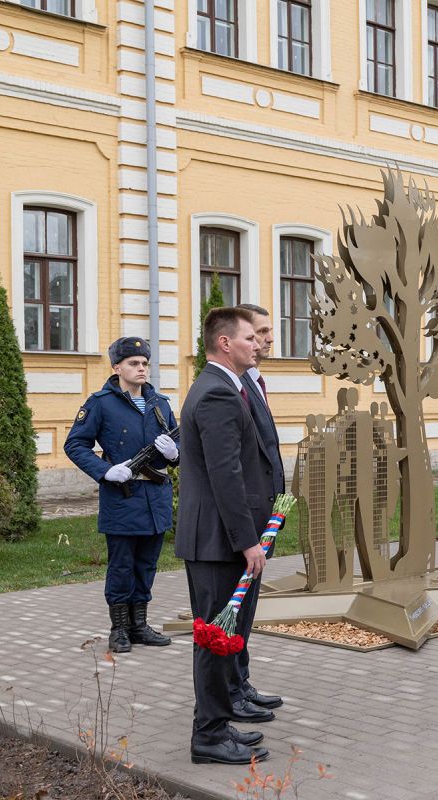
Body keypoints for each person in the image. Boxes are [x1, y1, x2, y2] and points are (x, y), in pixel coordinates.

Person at [176, 307, 274, 765]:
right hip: (217, 542)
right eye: (250, 338)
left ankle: (217, 721)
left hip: (221, 540)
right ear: (224, 344)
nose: (258, 344)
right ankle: (208, 737)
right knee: (214, 639)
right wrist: (247, 540)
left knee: (222, 638)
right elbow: (225, 476)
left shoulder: (226, 387)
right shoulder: (216, 394)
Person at [64, 337, 177, 653]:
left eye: (144, 363)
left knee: (147, 566)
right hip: (123, 498)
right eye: (133, 363)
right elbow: (75, 444)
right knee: (122, 566)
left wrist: (174, 453)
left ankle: (140, 625)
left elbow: (179, 449)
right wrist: (105, 471)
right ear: (117, 367)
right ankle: (119, 629)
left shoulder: (160, 404)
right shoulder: (101, 403)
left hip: (155, 498)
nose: (141, 368)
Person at [227, 303, 286, 719]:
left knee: (245, 609)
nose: (266, 340)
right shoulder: (230, 386)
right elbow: (230, 467)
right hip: (240, 522)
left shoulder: (254, 380)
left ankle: (240, 683)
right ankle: (230, 691)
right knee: (234, 606)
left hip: (259, 514)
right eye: (259, 332)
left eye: (266, 332)